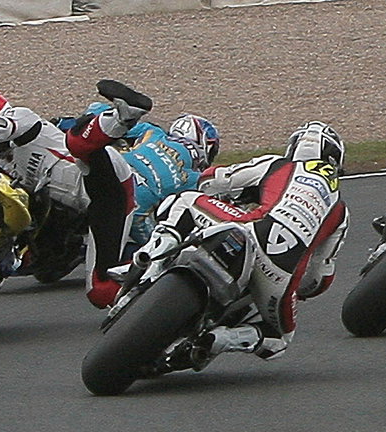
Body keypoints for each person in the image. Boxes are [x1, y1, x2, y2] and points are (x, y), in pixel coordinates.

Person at [0, 81, 219, 308]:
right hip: (116, 202)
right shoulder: (196, 177)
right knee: (104, 288)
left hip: (85, 176)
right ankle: (151, 291)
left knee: (36, 122)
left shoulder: (153, 134)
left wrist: (64, 123)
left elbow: (92, 111)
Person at [143, 118, 347, 361]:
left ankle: (150, 265)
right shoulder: (340, 211)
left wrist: (234, 194)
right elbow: (318, 278)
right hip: (280, 276)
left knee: (184, 201)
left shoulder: (277, 164)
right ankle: (220, 339)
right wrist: (298, 290)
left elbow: (213, 180)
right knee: (279, 340)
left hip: (247, 230)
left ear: (293, 148)